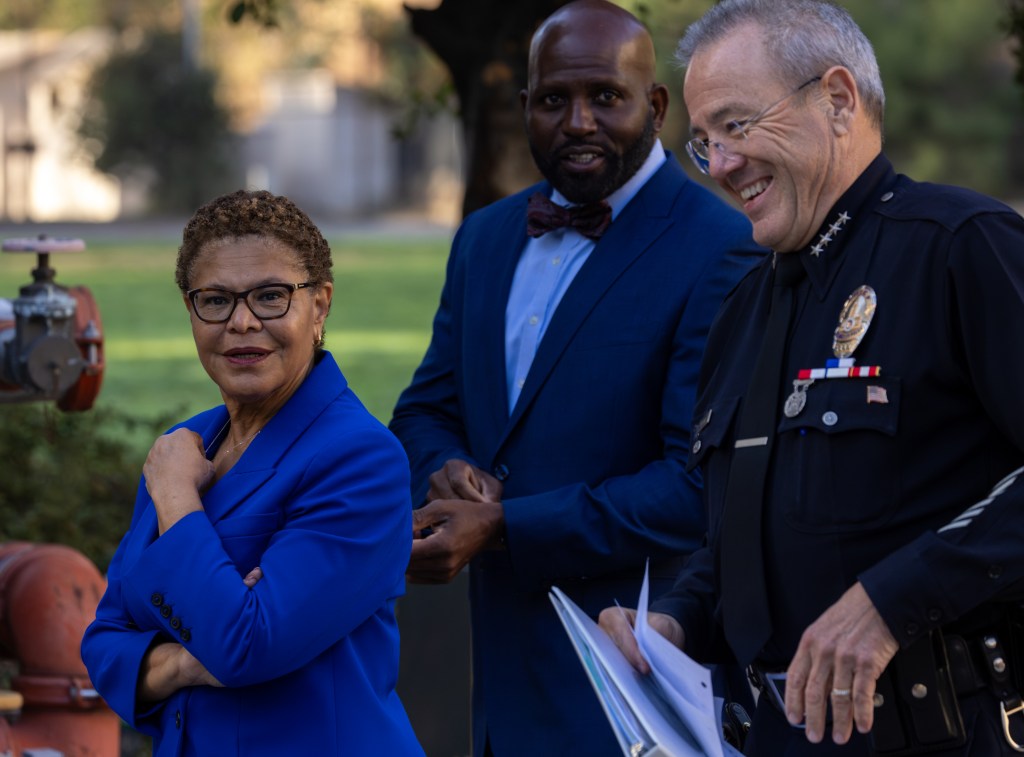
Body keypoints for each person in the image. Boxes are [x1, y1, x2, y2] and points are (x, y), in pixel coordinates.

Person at [599, 1, 1024, 755]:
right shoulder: (745, 308)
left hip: (946, 729)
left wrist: (892, 601)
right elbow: (748, 531)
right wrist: (677, 618)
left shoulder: (961, 248)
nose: (721, 164)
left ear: (836, 98)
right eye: (703, 142)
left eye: (737, 125)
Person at [388, 1, 764, 754]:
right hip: (494, 673)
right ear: (526, 107)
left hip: (629, 677)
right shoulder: (485, 239)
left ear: (655, 107)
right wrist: (447, 469)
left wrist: (506, 526)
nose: (580, 121)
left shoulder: (721, 249)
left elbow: (695, 488)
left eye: (606, 97)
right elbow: (426, 407)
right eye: (554, 100)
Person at [81, 190, 424, 756]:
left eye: (270, 297)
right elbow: (104, 646)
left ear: (320, 306)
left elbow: (245, 646)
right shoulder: (186, 446)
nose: (242, 322)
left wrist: (176, 503)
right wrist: (189, 662)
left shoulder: (361, 459)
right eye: (215, 300)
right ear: (191, 312)